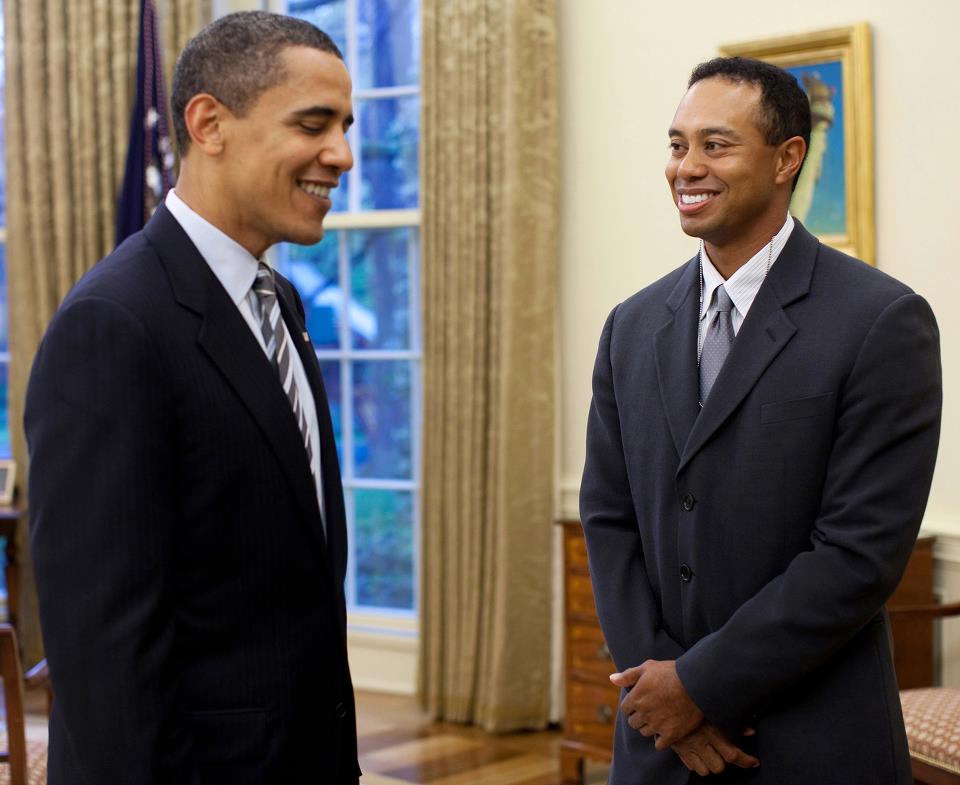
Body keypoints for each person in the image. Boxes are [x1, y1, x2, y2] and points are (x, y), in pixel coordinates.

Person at [580, 56, 941, 784]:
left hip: (810, 740)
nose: (686, 167)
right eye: (677, 145)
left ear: (787, 158)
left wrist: (699, 687)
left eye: (715, 145)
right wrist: (662, 694)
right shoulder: (630, 325)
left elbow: (858, 554)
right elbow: (608, 517)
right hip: (658, 745)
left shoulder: (882, 321)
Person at [25, 12, 359, 785]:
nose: (342, 154)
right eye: (314, 124)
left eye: (345, 128)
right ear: (209, 124)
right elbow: (104, 650)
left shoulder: (281, 304)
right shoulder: (113, 324)